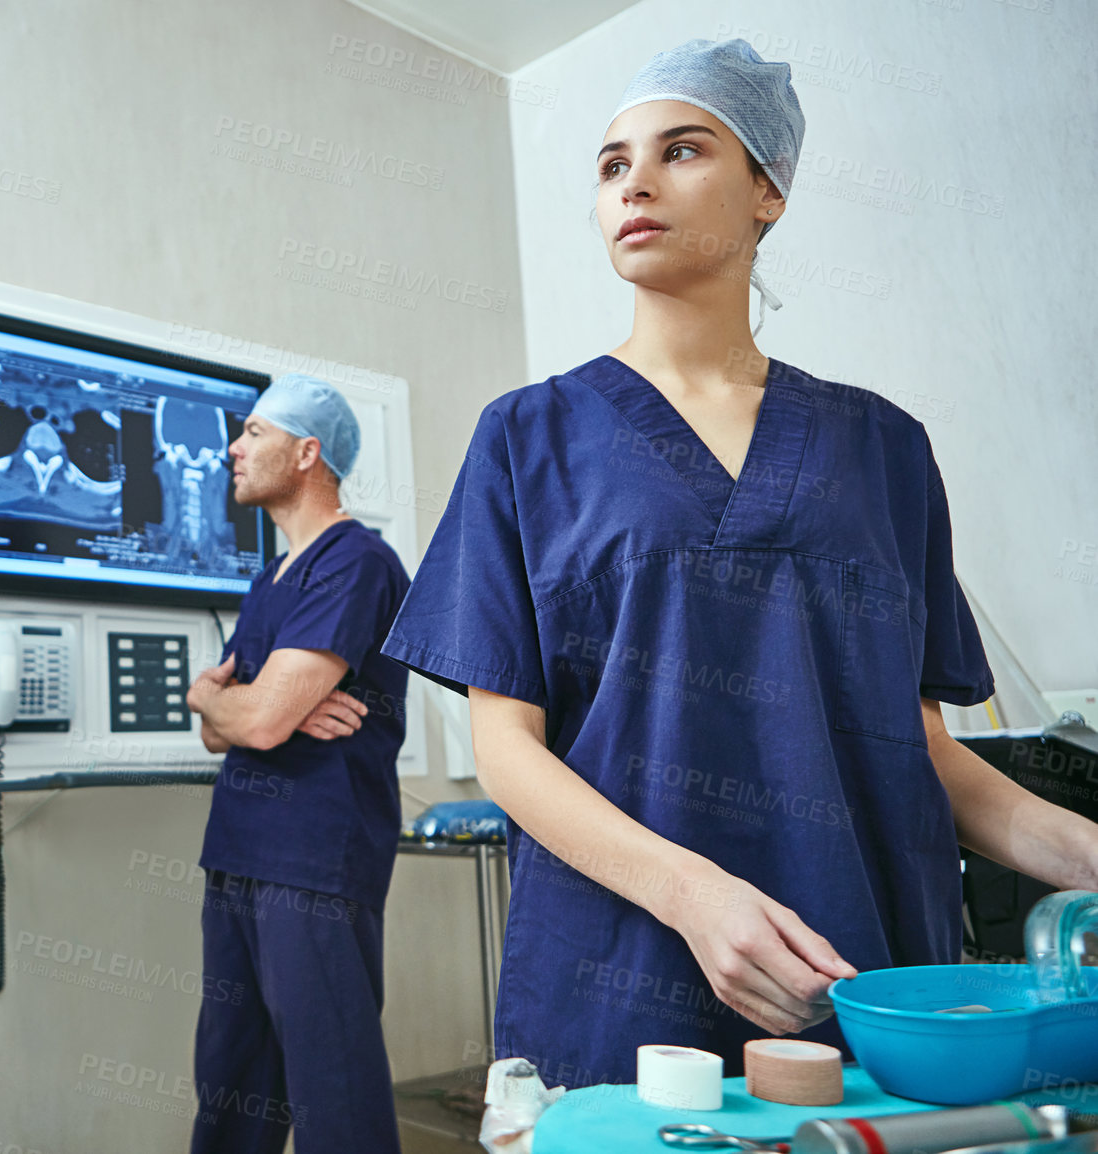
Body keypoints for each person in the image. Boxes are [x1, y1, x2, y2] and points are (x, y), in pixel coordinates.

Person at [380, 39, 1098, 1089]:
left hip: (861, 969)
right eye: (611, 162)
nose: (634, 181)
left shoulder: (883, 449)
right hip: (620, 966)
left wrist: (1081, 852)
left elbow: (921, 749)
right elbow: (507, 749)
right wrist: (692, 893)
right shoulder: (528, 437)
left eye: (681, 150)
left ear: (766, 189)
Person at [185, 373, 410, 1154]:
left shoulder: (356, 564)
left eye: (254, 433)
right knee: (230, 1090)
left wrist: (248, 707)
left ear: (308, 452)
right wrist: (231, 707)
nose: (232, 449)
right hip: (239, 856)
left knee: (330, 1092)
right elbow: (223, 727)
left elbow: (256, 716)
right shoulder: (267, 580)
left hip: (313, 864)